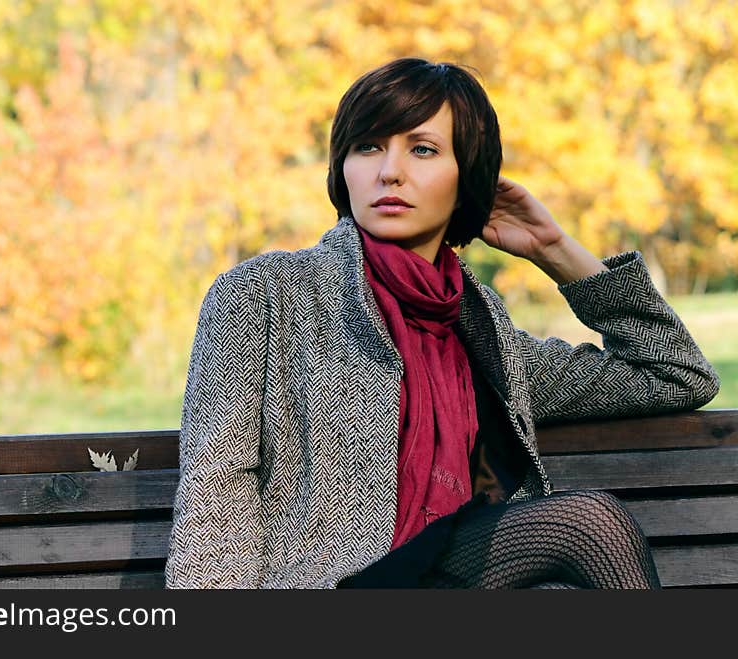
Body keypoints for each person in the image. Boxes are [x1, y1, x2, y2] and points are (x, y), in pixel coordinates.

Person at [164, 58, 720, 589]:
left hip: (459, 582)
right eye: (368, 147)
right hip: (336, 592)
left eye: (423, 150)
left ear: (466, 176)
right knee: (590, 524)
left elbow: (674, 373)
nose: (389, 172)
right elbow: (217, 489)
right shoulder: (267, 295)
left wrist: (555, 250)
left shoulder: (484, 336)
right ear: (343, 168)